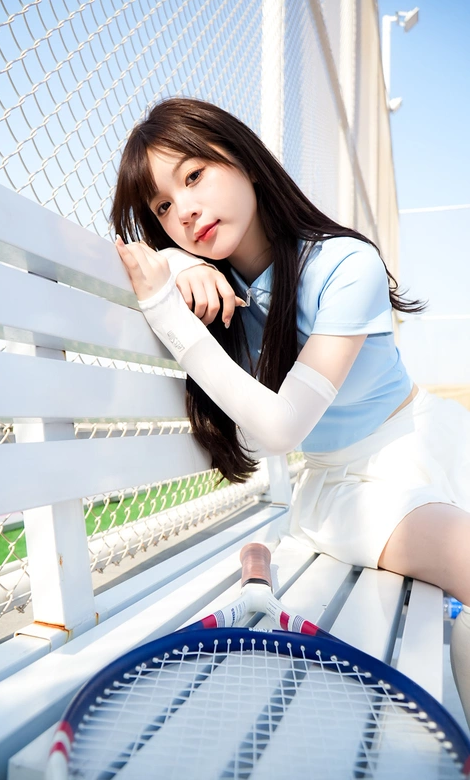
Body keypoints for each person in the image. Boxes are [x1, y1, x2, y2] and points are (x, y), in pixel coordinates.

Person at [113, 97, 470, 724]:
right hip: (349, 489)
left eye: (194, 176)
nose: (184, 210)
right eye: (163, 207)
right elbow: (279, 432)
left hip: (430, 437)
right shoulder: (213, 294)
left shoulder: (345, 264)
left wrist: (172, 291)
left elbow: (281, 422)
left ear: (246, 162)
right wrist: (173, 267)